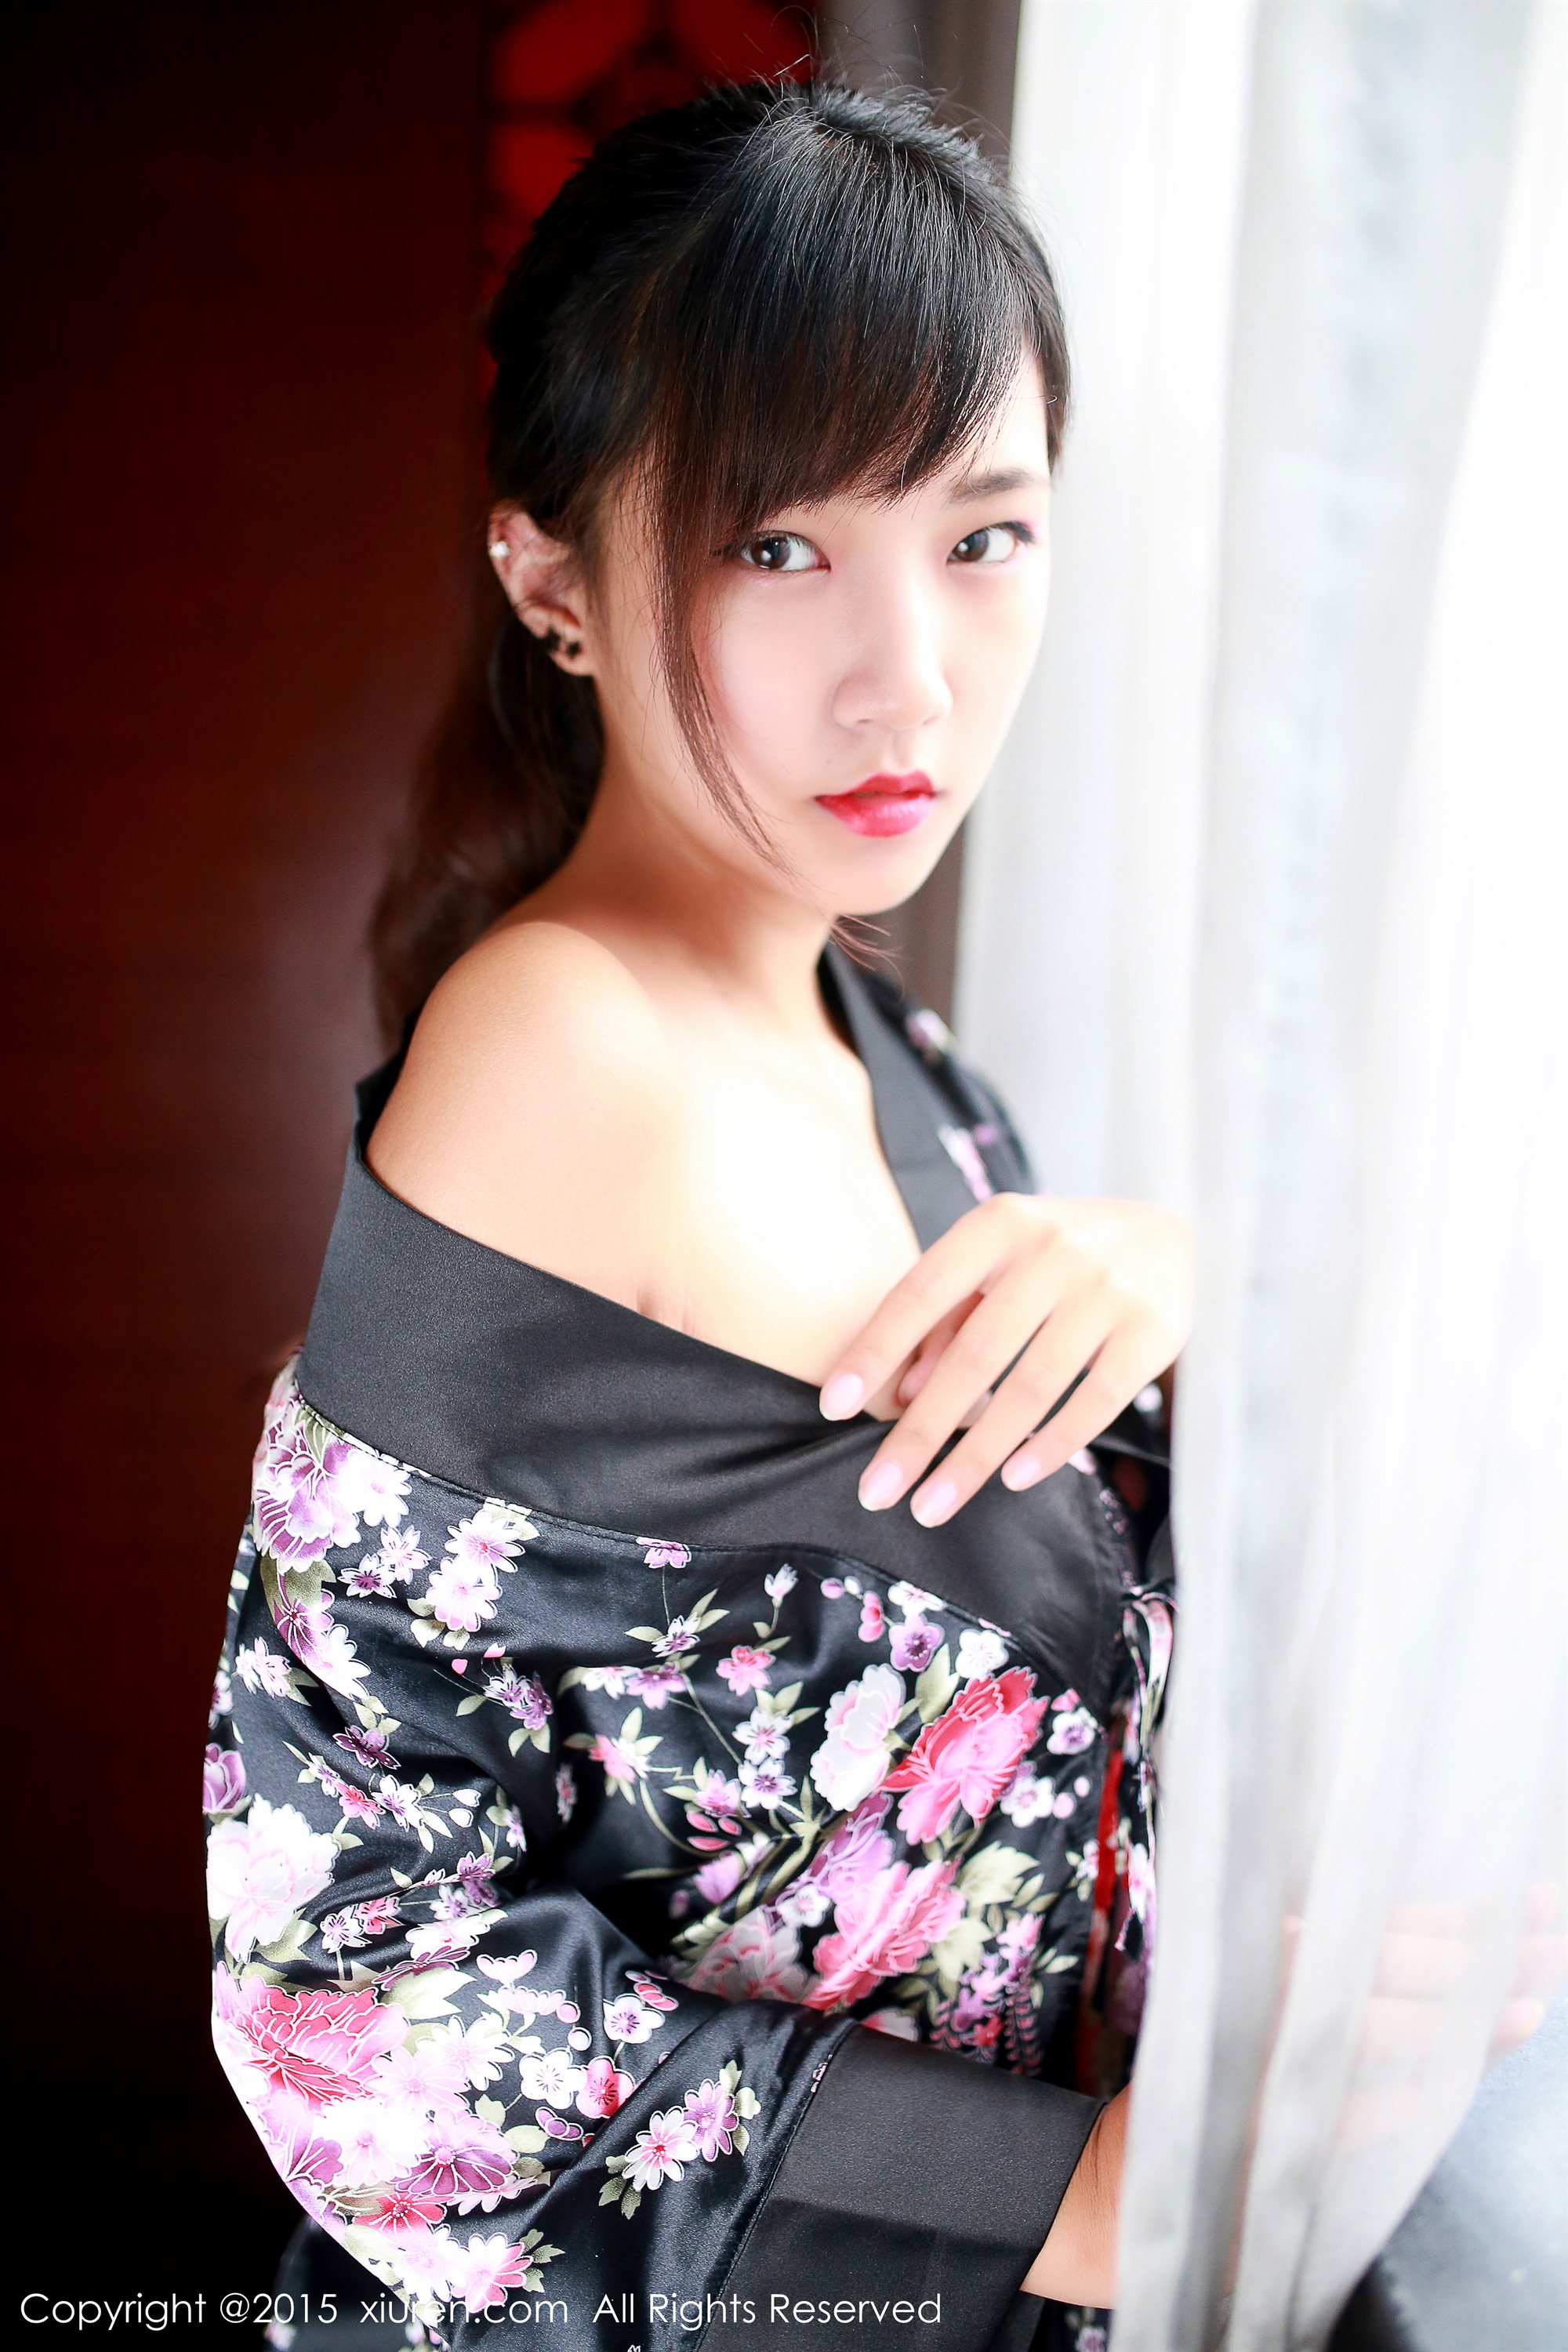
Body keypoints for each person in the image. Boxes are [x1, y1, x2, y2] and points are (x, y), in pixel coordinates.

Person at [204, 78, 1192, 2352]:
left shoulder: (903, 1058)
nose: (909, 675)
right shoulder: (564, 1053)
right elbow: (351, 1996)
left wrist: (1179, 1275)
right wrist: (1071, 2204)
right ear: (550, 577)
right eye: (776, 546)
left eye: (983, 535)